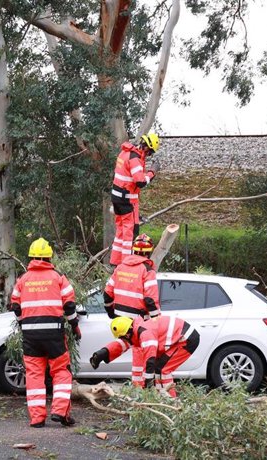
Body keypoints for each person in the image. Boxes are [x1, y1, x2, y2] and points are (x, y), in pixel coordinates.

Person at [9, 238, 80, 428]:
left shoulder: (22, 280)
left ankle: (37, 418)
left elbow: (15, 306)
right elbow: (70, 306)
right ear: (49, 257)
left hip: (31, 336)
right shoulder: (58, 278)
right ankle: (59, 411)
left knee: (34, 375)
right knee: (61, 372)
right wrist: (75, 326)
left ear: (31, 258)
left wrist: (23, 324)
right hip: (54, 335)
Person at [90, 316, 199, 397]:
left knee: (161, 370)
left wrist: (148, 383)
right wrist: (103, 353)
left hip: (186, 340)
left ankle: (171, 401)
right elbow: (123, 343)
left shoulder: (145, 334)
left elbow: (150, 360)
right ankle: (162, 397)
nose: (124, 340)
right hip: (179, 339)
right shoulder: (136, 329)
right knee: (159, 369)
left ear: (127, 334)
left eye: (123, 338)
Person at [102, 233, 160, 388]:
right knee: (140, 352)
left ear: (133, 250)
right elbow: (150, 299)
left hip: (121, 318)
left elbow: (107, 294)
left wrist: (111, 313)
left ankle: (103, 354)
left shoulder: (121, 267)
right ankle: (139, 388)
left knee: (125, 343)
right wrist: (156, 320)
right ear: (149, 252)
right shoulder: (147, 270)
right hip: (139, 319)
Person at [110, 132, 160, 266]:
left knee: (120, 231)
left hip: (117, 198)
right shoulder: (135, 158)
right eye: (150, 152)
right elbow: (140, 182)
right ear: (147, 148)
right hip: (127, 200)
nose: (149, 155)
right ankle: (127, 263)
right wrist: (152, 172)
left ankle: (115, 262)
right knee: (129, 234)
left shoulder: (124, 153)